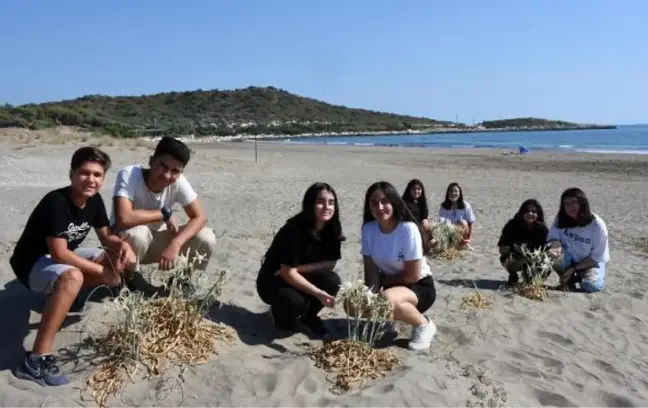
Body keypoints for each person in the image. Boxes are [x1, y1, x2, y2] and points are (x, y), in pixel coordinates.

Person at [9, 146, 136, 386]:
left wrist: (123, 247)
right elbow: (59, 253)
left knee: (110, 258)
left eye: (97, 175)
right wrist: (101, 273)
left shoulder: (94, 200)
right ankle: (35, 361)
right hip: (31, 263)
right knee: (72, 277)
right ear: (72, 174)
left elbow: (107, 237)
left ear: (103, 178)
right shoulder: (56, 202)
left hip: (58, 259)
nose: (91, 179)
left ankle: (61, 297)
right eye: (84, 173)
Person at [111, 136, 216, 284]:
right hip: (124, 244)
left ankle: (182, 281)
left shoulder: (178, 181)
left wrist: (176, 243)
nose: (167, 175)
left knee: (206, 237)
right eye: (163, 166)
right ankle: (125, 280)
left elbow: (200, 217)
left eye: (175, 171)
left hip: (154, 243)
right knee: (138, 233)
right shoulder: (130, 174)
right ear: (151, 161)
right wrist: (164, 214)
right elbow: (123, 219)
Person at [256, 182, 344, 338]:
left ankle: (309, 315)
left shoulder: (331, 229)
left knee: (333, 281)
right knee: (293, 306)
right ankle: (277, 315)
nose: (327, 207)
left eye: (331, 202)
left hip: (292, 273)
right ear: (310, 204)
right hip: (274, 279)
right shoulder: (295, 230)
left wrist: (299, 270)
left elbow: (331, 263)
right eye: (320, 202)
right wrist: (318, 293)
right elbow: (286, 273)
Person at [361, 181, 437, 351]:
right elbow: (371, 272)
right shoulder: (368, 229)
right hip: (390, 285)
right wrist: (370, 301)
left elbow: (412, 276)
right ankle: (388, 320)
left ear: (394, 202)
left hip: (419, 287)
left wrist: (383, 286)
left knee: (386, 300)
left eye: (385, 201)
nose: (380, 207)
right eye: (374, 203)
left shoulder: (407, 230)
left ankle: (424, 325)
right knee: (357, 302)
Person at [546, 188, 609, 293]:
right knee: (551, 254)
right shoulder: (561, 219)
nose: (570, 206)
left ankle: (582, 276)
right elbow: (553, 237)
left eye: (574, 202)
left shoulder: (597, 226)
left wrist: (574, 269)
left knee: (591, 286)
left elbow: (596, 257)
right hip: (570, 257)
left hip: (591, 261)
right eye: (566, 204)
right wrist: (555, 246)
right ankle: (568, 280)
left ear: (582, 203)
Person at [497, 199, 549, 286]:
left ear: (538, 214)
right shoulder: (512, 225)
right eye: (527, 211)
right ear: (522, 212)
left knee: (547, 262)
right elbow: (502, 248)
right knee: (506, 258)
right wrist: (514, 250)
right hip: (517, 258)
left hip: (534, 260)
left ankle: (532, 277)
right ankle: (513, 274)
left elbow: (547, 250)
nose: (530, 214)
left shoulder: (542, 229)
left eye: (534, 211)